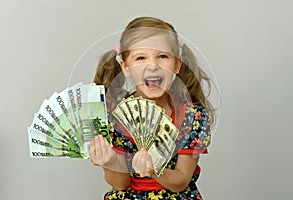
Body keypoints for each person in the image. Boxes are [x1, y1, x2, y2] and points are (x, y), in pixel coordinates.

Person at [89, 16, 215, 199]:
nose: (153, 65)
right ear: (125, 67)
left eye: (162, 56)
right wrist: (109, 162)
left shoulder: (192, 117)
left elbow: (181, 181)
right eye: (140, 58)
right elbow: (120, 183)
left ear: (177, 64)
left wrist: (154, 170)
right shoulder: (115, 117)